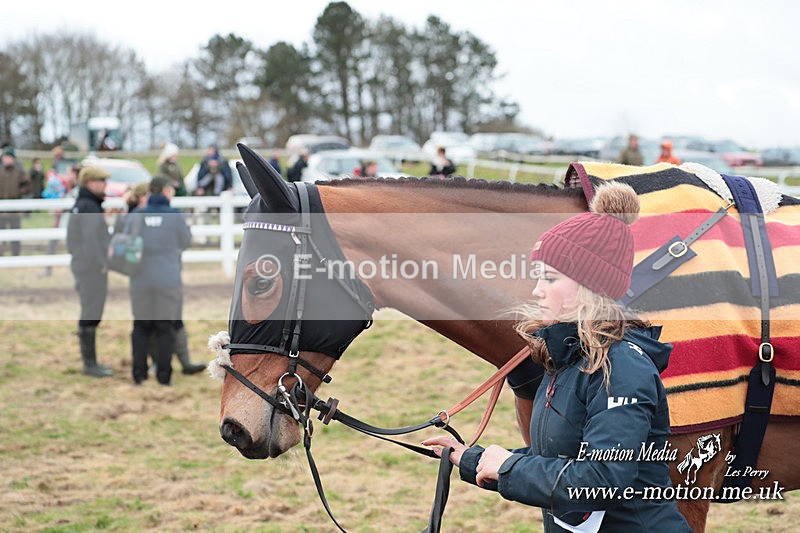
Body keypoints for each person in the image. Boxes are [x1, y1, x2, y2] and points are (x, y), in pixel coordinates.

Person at [424, 182, 690, 532]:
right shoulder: (566, 358)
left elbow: (602, 478)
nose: (537, 290)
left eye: (550, 278)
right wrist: (470, 458)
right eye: (538, 277)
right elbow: (558, 460)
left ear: (590, 286)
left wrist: (507, 468)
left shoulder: (623, 367)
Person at [128, 177, 192, 385]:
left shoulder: (137, 215)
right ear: (165, 191)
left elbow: (125, 239)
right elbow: (186, 241)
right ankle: (164, 376)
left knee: (141, 327)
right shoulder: (175, 216)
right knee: (166, 328)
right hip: (167, 278)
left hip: (140, 278)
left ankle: (139, 374)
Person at [66, 166, 113, 377]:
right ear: (90, 183)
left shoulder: (83, 204)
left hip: (84, 265)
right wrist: (101, 263)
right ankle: (90, 364)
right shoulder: (89, 206)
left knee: (90, 310)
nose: (104, 185)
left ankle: (90, 361)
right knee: (91, 311)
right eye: (101, 181)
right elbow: (92, 240)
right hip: (91, 268)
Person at [0, 146, 31, 256]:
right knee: (1, 233)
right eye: (5, 157)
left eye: (8, 157)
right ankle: (1, 253)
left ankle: (16, 254)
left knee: (15, 233)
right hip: (1, 210)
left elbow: (27, 186)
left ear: (13, 159)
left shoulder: (19, 172)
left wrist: (18, 192)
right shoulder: (0, 172)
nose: (6, 160)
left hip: (15, 209)